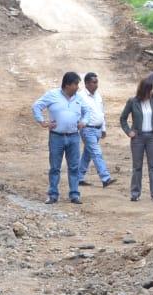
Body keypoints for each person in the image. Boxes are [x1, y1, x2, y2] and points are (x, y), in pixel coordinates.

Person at [32, 71, 88, 204]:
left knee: (74, 166)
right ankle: (53, 194)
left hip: (74, 136)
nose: (77, 87)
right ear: (67, 85)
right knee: (55, 167)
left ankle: (74, 194)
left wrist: (84, 122)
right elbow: (36, 106)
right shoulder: (52, 95)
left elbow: (87, 111)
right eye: (75, 84)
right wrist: (42, 121)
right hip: (56, 136)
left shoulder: (78, 98)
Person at [119, 78, 153, 202]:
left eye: (152, 89)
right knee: (137, 166)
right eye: (149, 89)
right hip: (138, 137)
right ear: (143, 90)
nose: (152, 91)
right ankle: (135, 193)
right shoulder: (133, 101)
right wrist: (128, 131)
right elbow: (123, 118)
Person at [77, 72, 115, 188]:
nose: (96, 85)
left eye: (97, 82)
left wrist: (103, 128)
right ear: (87, 83)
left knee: (88, 154)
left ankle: (79, 177)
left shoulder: (98, 96)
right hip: (87, 129)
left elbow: (101, 113)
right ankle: (105, 178)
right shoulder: (81, 96)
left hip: (97, 129)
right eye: (94, 82)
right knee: (96, 153)